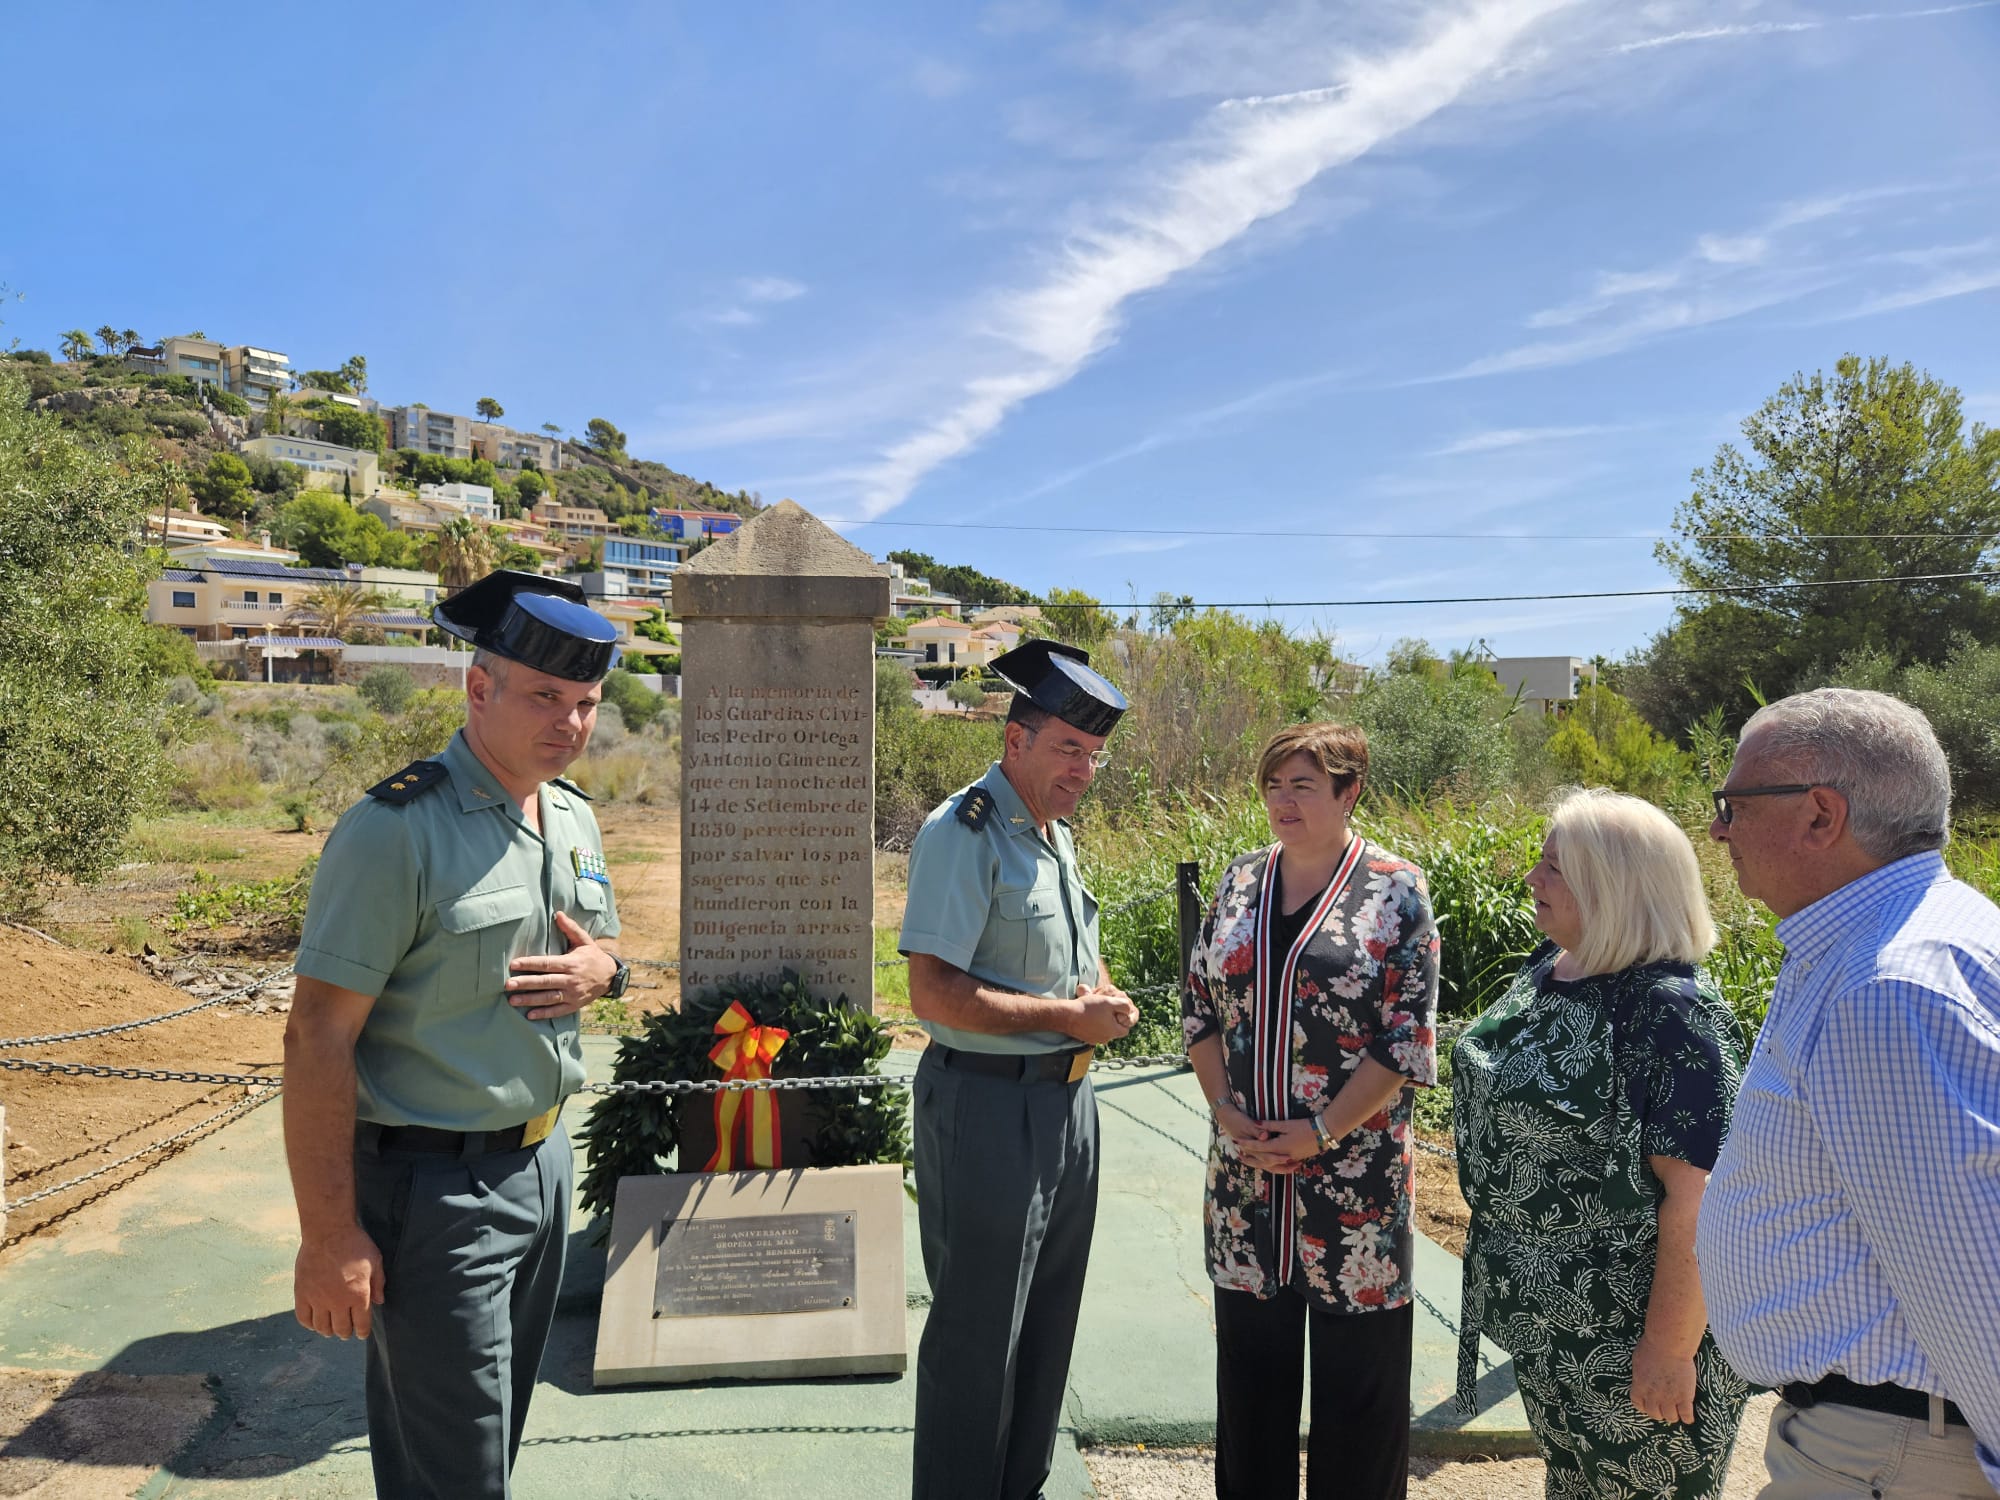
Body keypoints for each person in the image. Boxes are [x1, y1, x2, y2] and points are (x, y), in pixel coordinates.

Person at [283, 571, 633, 1500]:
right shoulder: (396, 829)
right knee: (456, 1474)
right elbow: (317, 1035)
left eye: (587, 704)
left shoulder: (571, 814)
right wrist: (328, 1235)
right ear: (479, 690)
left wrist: (608, 971)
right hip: (435, 1193)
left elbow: (597, 949)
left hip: (542, 1167)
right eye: (546, 698)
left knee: (492, 1445)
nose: (570, 723)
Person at [1695, 688, 2000, 1499]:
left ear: (1821, 817)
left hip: (1893, 1455)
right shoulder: (1900, 940)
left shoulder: (1886, 985)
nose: (1718, 829)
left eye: (1733, 803)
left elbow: (1970, 1271)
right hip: (1890, 1443)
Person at [1451, 787, 1749, 1500]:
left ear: (1612, 885)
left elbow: (1700, 1194)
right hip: (1550, 1328)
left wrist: (1671, 1350)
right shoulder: (1555, 966)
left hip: (1631, 1332)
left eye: (1554, 867)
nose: (1533, 880)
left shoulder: (1673, 1014)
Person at [897, 638, 1139, 1500]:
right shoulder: (964, 832)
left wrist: (1095, 998)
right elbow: (935, 994)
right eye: (1068, 748)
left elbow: (1058, 968)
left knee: (1046, 1327)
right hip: (988, 1110)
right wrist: (1070, 1019)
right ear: (1016, 739)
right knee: (977, 1339)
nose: (1084, 769)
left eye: (1095, 756)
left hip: (1067, 1113)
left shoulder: (1053, 836)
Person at [1182, 722, 1439, 1500]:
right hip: (1246, 1186)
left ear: (1348, 791)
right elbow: (1199, 1009)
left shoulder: (1396, 890)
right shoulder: (1238, 879)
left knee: (1360, 1405)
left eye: (1302, 785)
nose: (1282, 802)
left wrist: (1322, 1129)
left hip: (1353, 1194)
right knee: (1250, 1397)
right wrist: (1225, 1108)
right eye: (1272, 785)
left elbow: (1407, 1038)